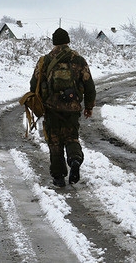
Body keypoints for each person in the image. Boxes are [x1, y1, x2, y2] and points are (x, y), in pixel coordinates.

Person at [30, 27, 96, 187]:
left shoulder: (44, 61)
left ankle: (58, 176)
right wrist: (88, 106)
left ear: (54, 42)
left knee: (54, 141)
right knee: (71, 136)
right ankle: (74, 160)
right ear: (68, 40)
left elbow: (33, 85)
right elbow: (89, 86)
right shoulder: (78, 60)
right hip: (72, 108)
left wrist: (39, 102)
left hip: (51, 108)